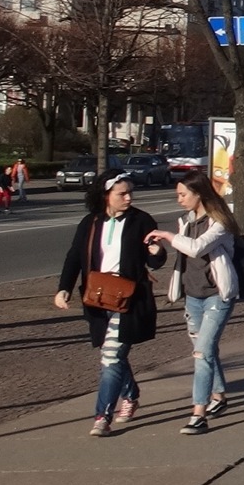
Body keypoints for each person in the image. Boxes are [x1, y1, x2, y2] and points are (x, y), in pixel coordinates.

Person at [55, 171, 167, 437]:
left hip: (129, 298)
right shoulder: (91, 222)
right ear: (106, 195)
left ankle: (102, 417)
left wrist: (157, 252)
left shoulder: (142, 221)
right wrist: (63, 288)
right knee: (112, 354)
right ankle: (131, 394)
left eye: (130, 192)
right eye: (122, 193)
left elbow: (155, 262)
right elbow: (74, 257)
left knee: (111, 357)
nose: (128, 197)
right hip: (98, 296)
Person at [145, 172, 240, 435]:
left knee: (201, 353)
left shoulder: (219, 222)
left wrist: (166, 234)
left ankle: (198, 413)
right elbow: (185, 253)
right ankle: (219, 396)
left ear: (199, 194)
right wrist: (159, 250)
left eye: (183, 194)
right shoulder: (185, 221)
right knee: (205, 350)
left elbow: (198, 248)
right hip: (193, 296)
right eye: (178, 194)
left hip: (217, 296)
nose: (179, 199)